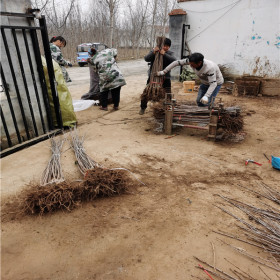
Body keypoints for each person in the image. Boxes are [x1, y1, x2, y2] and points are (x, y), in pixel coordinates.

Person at [157, 52, 224, 106]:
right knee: (199, 100)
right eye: (190, 64)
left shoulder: (209, 68)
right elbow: (176, 63)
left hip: (216, 83)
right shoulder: (191, 61)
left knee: (208, 101)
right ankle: (201, 113)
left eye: (192, 64)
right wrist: (164, 71)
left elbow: (213, 84)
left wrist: (206, 96)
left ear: (199, 63)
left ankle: (208, 116)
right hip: (204, 83)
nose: (191, 66)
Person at [139, 38, 176, 115]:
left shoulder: (170, 53)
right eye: (164, 46)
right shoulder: (154, 51)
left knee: (167, 94)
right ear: (160, 45)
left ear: (169, 47)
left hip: (166, 77)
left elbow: (174, 61)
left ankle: (166, 110)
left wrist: (164, 54)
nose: (165, 47)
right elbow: (146, 59)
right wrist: (153, 52)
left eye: (167, 46)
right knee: (146, 93)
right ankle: (143, 108)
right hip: (153, 77)